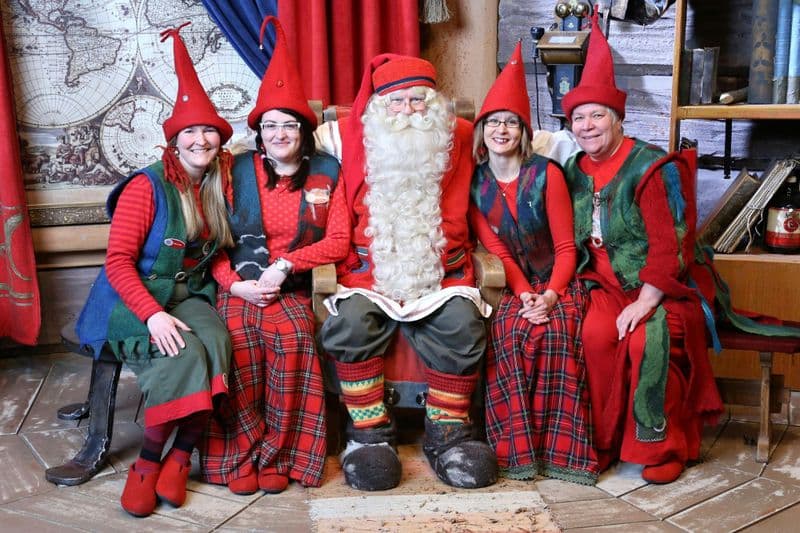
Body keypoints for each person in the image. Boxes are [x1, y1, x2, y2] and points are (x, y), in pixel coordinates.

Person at [314, 54, 497, 491]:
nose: (409, 111)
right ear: (379, 107)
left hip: (443, 274)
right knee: (351, 324)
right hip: (368, 273)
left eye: (418, 101)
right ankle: (369, 434)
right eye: (397, 102)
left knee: (461, 323)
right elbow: (284, 138)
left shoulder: (465, 136)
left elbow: (525, 137)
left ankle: (447, 433)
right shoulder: (345, 136)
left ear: (434, 103)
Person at [75, 23, 234, 517]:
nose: (200, 139)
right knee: (181, 355)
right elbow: (118, 262)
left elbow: (218, 256)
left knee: (219, 344)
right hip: (132, 297)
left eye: (208, 130)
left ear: (219, 140)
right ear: (174, 140)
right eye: (190, 131)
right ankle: (148, 462)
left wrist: (237, 285)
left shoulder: (218, 186)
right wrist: (152, 316)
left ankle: (180, 458)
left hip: (189, 294)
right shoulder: (146, 187)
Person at [560, 12, 723, 484]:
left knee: (642, 340)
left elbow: (673, 245)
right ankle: (603, 441)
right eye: (578, 118)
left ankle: (663, 447)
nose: (588, 125)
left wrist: (647, 300)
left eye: (597, 115)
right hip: (603, 282)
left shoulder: (651, 166)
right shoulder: (571, 170)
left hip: (662, 286)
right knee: (593, 336)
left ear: (616, 118)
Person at [197, 16, 349, 495]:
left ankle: (282, 455)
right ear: (259, 133)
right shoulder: (233, 172)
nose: (279, 133)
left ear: (304, 131)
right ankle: (236, 455)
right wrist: (233, 283)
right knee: (237, 345)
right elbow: (211, 242)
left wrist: (286, 265)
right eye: (269, 126)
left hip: (294, 285)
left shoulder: (327, 173)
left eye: (289, 125)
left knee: (292, 345)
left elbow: (338, 240)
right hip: (241, 285)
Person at [468, 42, 599, 485]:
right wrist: (525, 294)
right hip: (513, 285)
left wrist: (548, 296)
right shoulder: (476, 185)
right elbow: (497, 250)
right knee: (510, 334)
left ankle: (562, 455)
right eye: (493, 123)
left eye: (510, 122)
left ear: (522, 131)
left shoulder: (547, 174)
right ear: (482, 130)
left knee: (554, 333)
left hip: (559, 281)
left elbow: (566, 248)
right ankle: (516, 454)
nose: (501, 130)